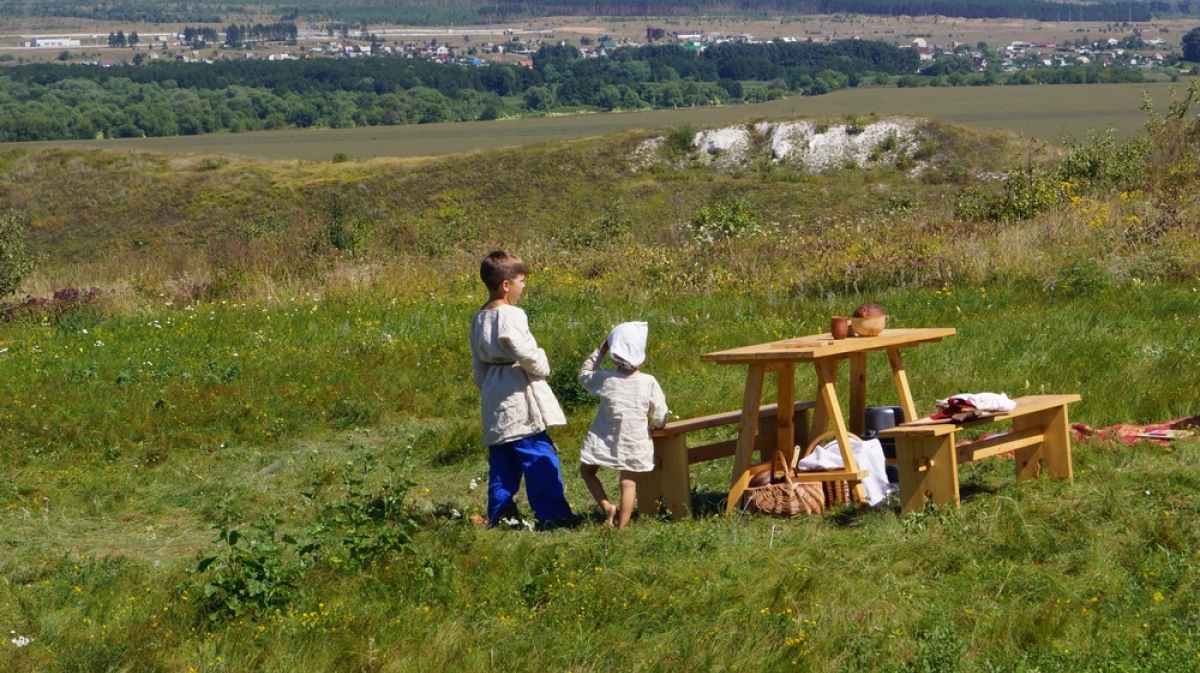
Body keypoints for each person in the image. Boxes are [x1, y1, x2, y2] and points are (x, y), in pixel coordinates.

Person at [470, 251, 575, 529]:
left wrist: (488, 389)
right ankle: (554, 516)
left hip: (494, 392)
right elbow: (520, 347)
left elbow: (478, 366)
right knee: (539, 455)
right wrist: (541, 363)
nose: (523, 286)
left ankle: (501, 515)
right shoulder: (511, 314)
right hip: (517, 393)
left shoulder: (479, 317)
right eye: (521, 281)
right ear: (506, 285)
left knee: (503, 461)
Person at [578, 321, 669, 529]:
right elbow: (660, 416)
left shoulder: (605, 378)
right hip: (634, 439)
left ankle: (607, 507)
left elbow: (584, 375)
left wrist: (601, 350)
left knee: (587, 471)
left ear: (614, 352)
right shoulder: (649, 382)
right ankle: (622, 529)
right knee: (628, 483)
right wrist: (657, 424)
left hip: (605, 437)